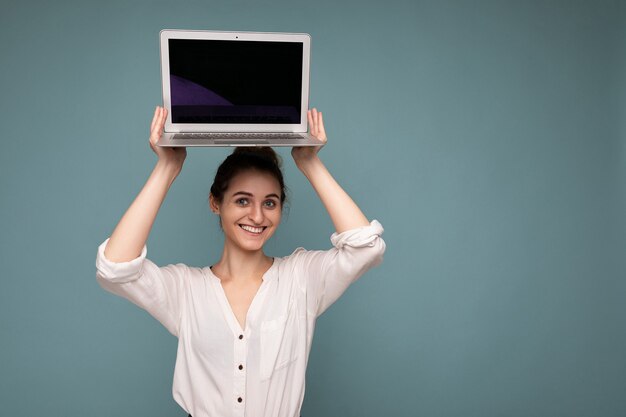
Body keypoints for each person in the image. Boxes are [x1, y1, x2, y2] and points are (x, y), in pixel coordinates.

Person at [95, 106, 386, 417]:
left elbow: (366, 248)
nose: (257, 216)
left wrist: (309, 162)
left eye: (270, 203)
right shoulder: (186, 290)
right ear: (215, 203)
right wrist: (167, 167)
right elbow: (115, 268)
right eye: (242, 200)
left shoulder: (301, 279)